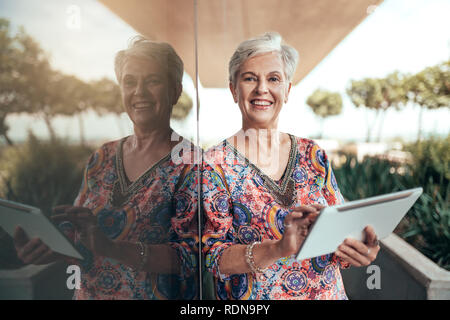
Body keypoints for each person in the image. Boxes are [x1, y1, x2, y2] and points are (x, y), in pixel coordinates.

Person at [13, 36, 198, 300]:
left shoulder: (193, 164)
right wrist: (49, 248)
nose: (139, 92)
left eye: (153, 81)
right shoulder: (101, 157)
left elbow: (193, 257)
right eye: (129, 82)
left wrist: (112, 247)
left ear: (176, 91)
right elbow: (82, 236)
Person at [201, 32, 380, 300]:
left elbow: (340, 228)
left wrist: (360, 249)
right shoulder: (214, 165)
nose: (262, 88)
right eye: (250, 78)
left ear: (287, 90)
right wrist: (277, 248)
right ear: (233, 90)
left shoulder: (313, 153)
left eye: (273, 78)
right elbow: (212, 257)